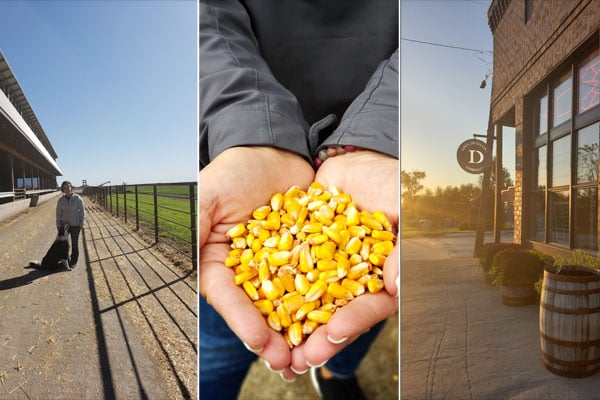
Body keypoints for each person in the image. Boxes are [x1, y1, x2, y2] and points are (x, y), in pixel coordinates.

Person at [199, 1, 399, 399]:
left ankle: (334, 374)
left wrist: (385, 132)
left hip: (378, 151)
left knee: (355, 320)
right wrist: (249, 131)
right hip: (237, 144)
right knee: (216, 353)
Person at [56, 180, 85, 268]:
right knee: (64, 244)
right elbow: (58, 213)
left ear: (71, 188)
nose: (67, 189)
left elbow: (82, 211)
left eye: (68, 187)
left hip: (75, 224)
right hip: (65, 226)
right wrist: (58, 224)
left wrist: (82, 223)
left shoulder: (77, 198)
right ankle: (66, 260)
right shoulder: (61, 200)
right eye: (65, 188)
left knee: (74, 243)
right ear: (62, 189)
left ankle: (73, 261)